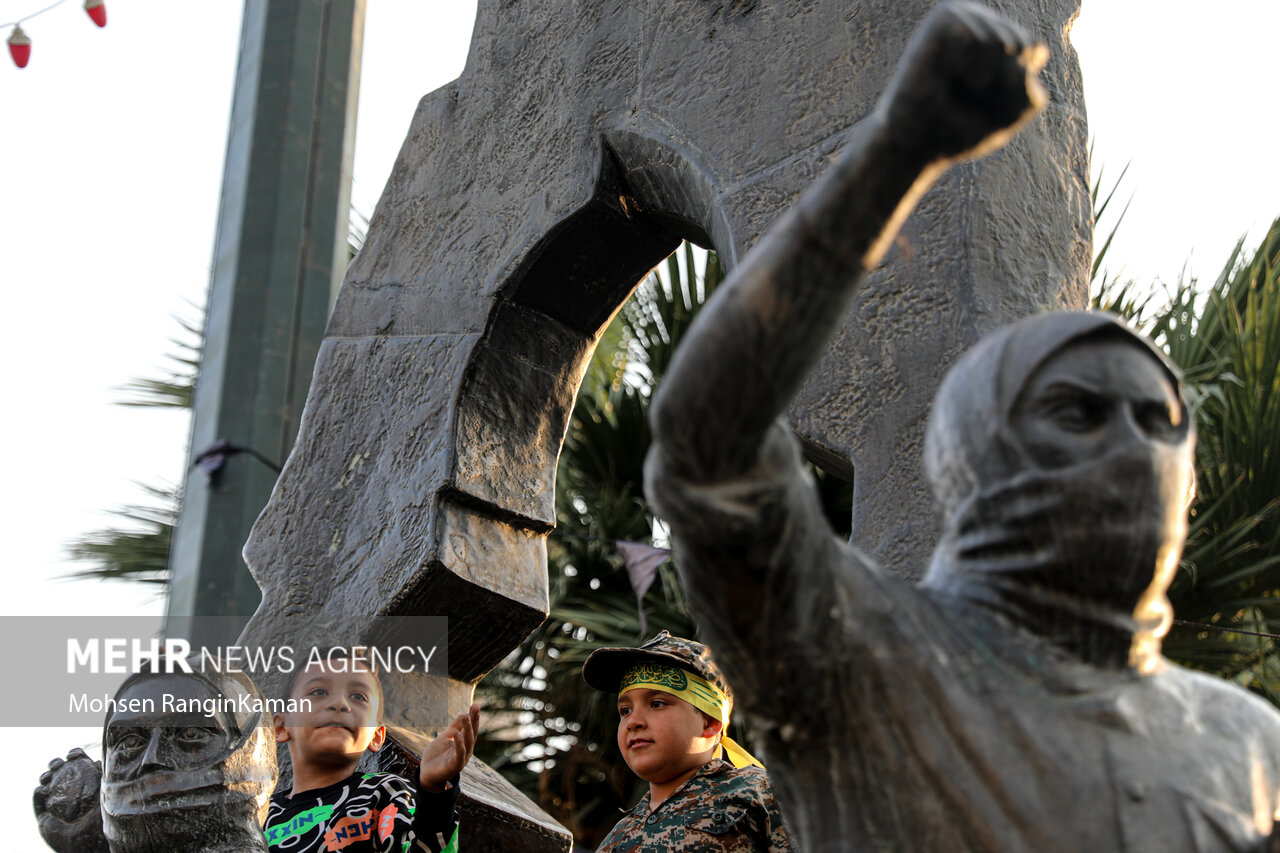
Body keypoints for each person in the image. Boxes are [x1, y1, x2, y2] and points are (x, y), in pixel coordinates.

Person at [642, 2, 1280, 851]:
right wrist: (899, 149)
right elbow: (705, 445)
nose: (1134, 446)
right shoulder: (861, 659)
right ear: (977, 451)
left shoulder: (1249, 744)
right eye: (1079, 411)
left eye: (1161, 422)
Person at [582, 631, 792, 852]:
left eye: (657, 704)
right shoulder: (616, 839)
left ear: (710, 722)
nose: (633, 721)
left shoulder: (760, 792)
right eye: (625, 710)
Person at [267, 650, 479, 853]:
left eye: (358, 696)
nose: (340, 704)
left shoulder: (386, 793)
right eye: (319, 692)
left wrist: (433, 792)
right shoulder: (258, 815)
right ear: (281, 728)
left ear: (376, 736)